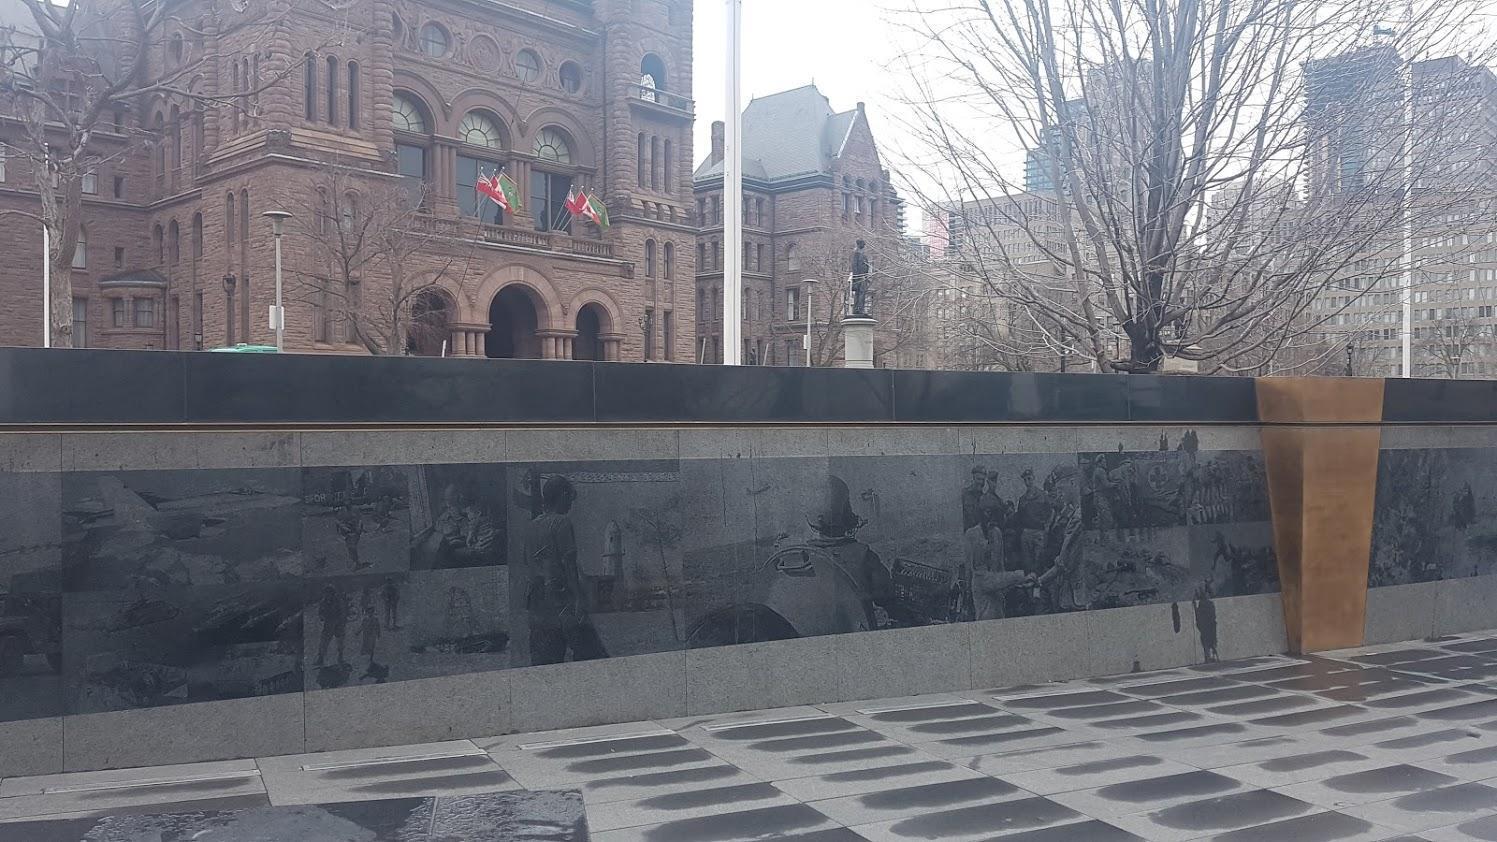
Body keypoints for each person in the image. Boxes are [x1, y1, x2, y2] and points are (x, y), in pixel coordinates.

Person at [523, 475, 607, 665]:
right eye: (569, 497)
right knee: (592, 656)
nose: (570, 503)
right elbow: (569, 565)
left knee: (545, 662)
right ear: (562, 495)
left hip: (537, 604)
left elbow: (528, 563)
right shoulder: (562, 523)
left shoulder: (530, 527)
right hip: (562, 601)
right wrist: (578, 599)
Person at [1016, 469, 1052, 574]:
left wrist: (1046, 528)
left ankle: (1039, 588)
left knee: (1039, 562)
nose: (1028, 482)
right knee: (1027, 563)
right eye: (1025, 480)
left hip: (1039, 533)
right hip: (1026, 533)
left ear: (1033, 478)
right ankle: (1029, 587)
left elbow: (1050, 513)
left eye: (1029, 479)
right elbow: (1019, 518)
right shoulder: (1022, 499)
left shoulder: (1043, 496)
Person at [315, 584, 348, 667]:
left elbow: (343, 612)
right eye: (325, 593)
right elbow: (320, 612)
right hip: (328, 625)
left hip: (338, 624)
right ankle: (320, 659)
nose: (326, 595)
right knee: (323, 641)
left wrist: (340, 621)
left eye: (328, 593)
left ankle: (340, 656)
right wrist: (321, 616)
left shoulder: (338, 601)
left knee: (340, 641)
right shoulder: (323, 602)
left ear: (332, 593)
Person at [961, 466, 987, 531]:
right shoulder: (964, 494)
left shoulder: (984, 498)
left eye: (983, 480)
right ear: (973, 479)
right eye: (978, 479)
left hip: (979, 534)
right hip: (966, 534)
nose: (981, 482)